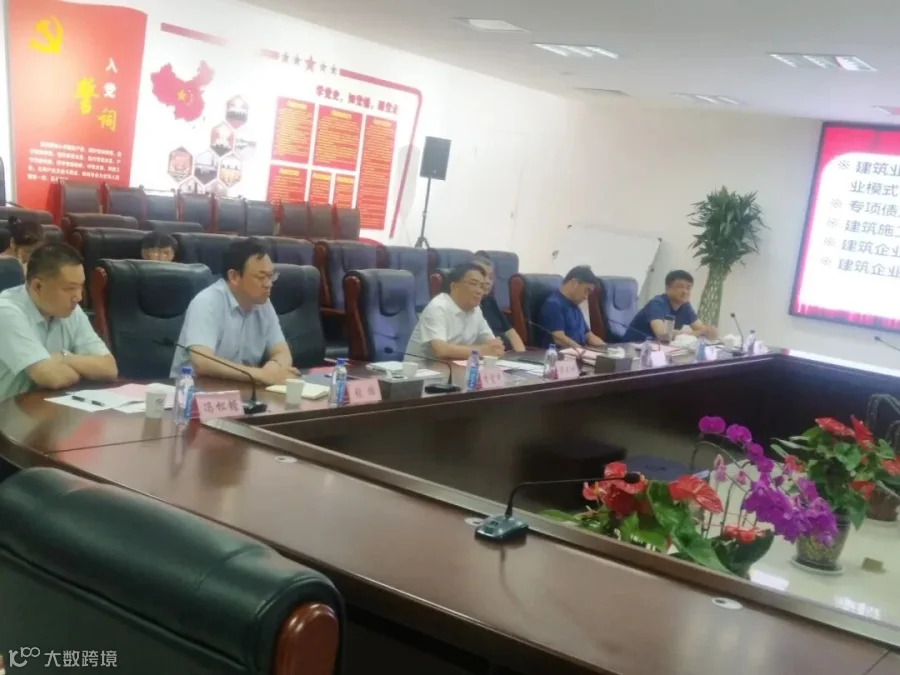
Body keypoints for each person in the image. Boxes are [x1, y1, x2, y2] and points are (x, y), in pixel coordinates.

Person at [170, 238, 298, 385]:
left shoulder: (263, 304)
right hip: (193, 390)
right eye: (261, 277)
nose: (268, 284)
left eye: (271, 276)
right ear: (234, 277)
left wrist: (273, 369)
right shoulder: (207, 302)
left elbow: (282, 352)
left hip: (241, 389)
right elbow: (202, 362)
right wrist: (259, 375)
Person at [0, 243, 118, 401]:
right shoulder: (6, 312)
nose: (78, 297)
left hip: (46, 408)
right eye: (69, 288)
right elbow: (51, 377)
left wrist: (64, 357)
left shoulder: (70, 309)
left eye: (80, 287)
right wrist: (84, 370)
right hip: (7, 411)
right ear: (37, 286)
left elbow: (109, 368)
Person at [406, 262, 505, 361]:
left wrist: (494, 348)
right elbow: (441, 350)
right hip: (422, 368)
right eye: (473, 284)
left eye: (482, 286)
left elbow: (493, 346)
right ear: (454, 286)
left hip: (454, 366)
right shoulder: (438, 307)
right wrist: (482, 350)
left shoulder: (476, 310)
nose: (479, 291)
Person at [623, 270, 717, 342]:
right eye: (680, 286)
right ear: (667, 288)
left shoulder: (685, 306)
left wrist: (709, 332)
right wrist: (699, 334)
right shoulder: (656, 304)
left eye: (688, 288)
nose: (685, 291)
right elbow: (662, 334)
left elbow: (701, 328)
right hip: (632, 348)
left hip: (657, 349)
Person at [538, 265, 605, 350]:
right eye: (586, 290)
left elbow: (589, 335)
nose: (586, 297)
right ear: (574, 283)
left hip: (577, 353)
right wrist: (582, 351)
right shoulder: (553, 305)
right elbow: (559, 338)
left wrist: (607, 350)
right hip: (560, 355)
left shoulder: (574, 306)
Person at [473, 252, 526, 353]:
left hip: (506, 355)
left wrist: (521, 356)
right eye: (483, 276)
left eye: (491, 277)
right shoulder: (469, 307)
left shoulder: (490, 302)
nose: (488, 281)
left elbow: (511, 333)